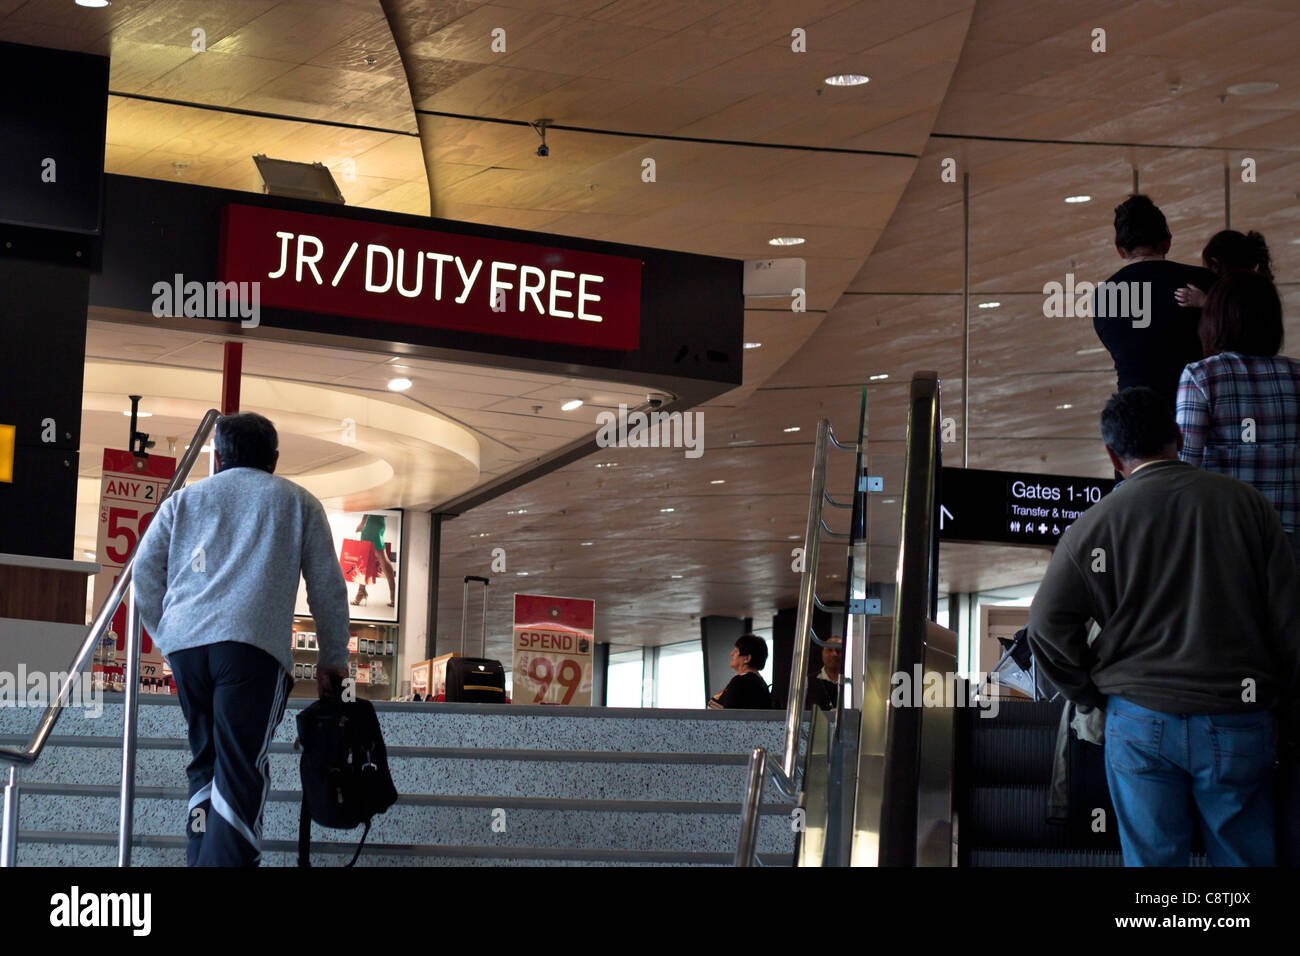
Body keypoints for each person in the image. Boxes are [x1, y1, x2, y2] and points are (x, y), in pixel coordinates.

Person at [1026, 388, 1300, 867]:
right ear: (1178, 437)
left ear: (1112, 455)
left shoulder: (1093, 525)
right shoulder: (1248, 506)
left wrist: (1088, 692)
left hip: (1138, 717)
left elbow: (1046, 625)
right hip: (1238, 714)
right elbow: (1290, 619)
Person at [133, 412, 351, 866]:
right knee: (240, 772)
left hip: (189, 650)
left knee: (206, 765)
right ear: (273, 459)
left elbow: (144, 571)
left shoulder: (184, 500)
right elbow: (327, 586)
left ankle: (201, 859)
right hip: (251, 651)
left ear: (217, 457)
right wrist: (332, 660)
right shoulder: (297, 502)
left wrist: (167, 636)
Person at [1176, 271, 1300, 563]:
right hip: (1290, 534)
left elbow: (1184, 466)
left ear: (1215, 318)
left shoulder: (1201, 376)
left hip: (1224, 533)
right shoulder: (1296, 375)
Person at [1092, 195, 1218, 412]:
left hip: (1135, 415)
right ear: (1167, 241)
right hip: (1196, 408)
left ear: (1119, 249)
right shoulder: (1203, 281)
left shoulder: (1104, 295)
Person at [1174, 229, 1272, 309]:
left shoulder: (1242, 289)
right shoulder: (1260, 285)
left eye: (1207, 266)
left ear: (1215, 265)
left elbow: (1239, 317)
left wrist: (1203, 301)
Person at [709, 634, 772, 709]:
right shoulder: (760, 683)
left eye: (736, 651)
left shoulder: (741, 681)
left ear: (747, 658)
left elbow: (728, 715)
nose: (732, 653)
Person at [352, 513, 396, 607]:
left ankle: (394, 596)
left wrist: (363, 522)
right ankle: (361, 591)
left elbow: (369, 506)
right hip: (378, 521)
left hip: (371, 523)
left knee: (379, 558)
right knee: (368, 559)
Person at [806, 637, 842, 711]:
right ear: (822, 653)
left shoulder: (853, 683)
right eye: (829, 650)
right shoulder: (807, 681)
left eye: (839, 650)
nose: (834, 654)